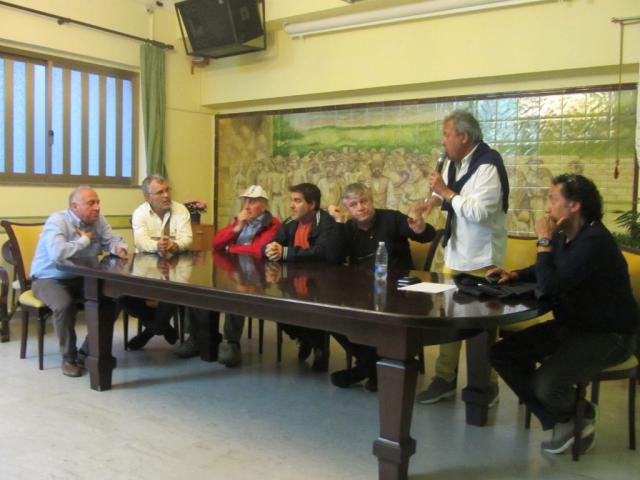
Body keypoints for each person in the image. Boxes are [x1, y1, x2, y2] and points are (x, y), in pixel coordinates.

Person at [489, 174, 638, 455]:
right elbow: (545, 269)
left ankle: (579, 414)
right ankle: (568, 418)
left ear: (575, 205)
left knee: (545, 386)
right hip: (573, 325)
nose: (547, 207)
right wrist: (515, 275)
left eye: (553, 199)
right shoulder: (565, 235)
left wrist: (543, 240)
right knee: (502, 353)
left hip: (609, 335)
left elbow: (550, 286)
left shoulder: (595, 242)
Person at [416, 110, 510, 405]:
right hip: (455, 254)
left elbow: (479, 212)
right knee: (449, 319)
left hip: (483, 259)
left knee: (482, 326)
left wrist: (444, 191)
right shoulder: (453, 163)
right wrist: (428, 205)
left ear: (464, 136)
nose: (443, 141)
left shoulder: (488, 165)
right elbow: (443, 195)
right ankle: (444, 379)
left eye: (447, 135)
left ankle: (486, 385)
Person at [327, 182, 436, 391]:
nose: (360, 207)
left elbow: (426, 235)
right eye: (353, 205)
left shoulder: (391, 219)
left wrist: (420, 228)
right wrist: (339, 223)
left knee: (378, 316)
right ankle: (373, 368)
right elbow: (333, 257)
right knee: (333, 317)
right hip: (363, 293)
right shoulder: (348, 228)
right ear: (347, 209)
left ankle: (365, 369)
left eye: (364, 201)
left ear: (372, 201)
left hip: (399, 293)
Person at [175, 185, 281, 367]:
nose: (246, 206)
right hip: (233, 272)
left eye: (252, 202)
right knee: (197, 287)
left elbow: (259, 250)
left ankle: (231, 342)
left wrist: (231, 248)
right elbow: (216, 243)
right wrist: (237, 227)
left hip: (259, 277)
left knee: (237, 294)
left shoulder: (273, 225)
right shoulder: (241, 221)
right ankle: (196, 337)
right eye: (245, 201)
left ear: (264, 206)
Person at [31, 186, 127, 377]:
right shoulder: (58, 221)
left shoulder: (98, 220)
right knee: (64, 305)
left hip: (82, 277)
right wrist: (84, 241)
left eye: (98, 202)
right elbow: (57, 253)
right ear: (75, 206)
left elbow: (112, 240)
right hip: (49, 277)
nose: (97, 207)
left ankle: (87, 351)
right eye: (91, 203)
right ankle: (69, 358)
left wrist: (118, 247)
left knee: (114, 297)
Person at [264, 182, 344, 371]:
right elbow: (273, 243)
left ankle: (320, 348)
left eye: (297, 201)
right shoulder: (290, 222)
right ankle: (305, 339)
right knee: (273, 307)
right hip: (291, 280)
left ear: (312, 204)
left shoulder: (326, 222)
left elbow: (323, 252)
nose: (291, 205)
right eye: (291, 200)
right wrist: (269, 249)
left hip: (320, 283)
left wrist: (285, 252)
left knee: (311, 311)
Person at [122, 174, 192, 350]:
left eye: (167, 190)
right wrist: (157, 245)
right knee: (122, 298)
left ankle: (148, 333)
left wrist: (174, 245)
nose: (166, 195)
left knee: (172, 293)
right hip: (146, 270)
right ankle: (165, 328)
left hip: (176, 268)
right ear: (147, 197)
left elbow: (188, 239)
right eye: (160, 192)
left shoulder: (181, 210)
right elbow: (140, 241)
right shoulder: (139, 213)